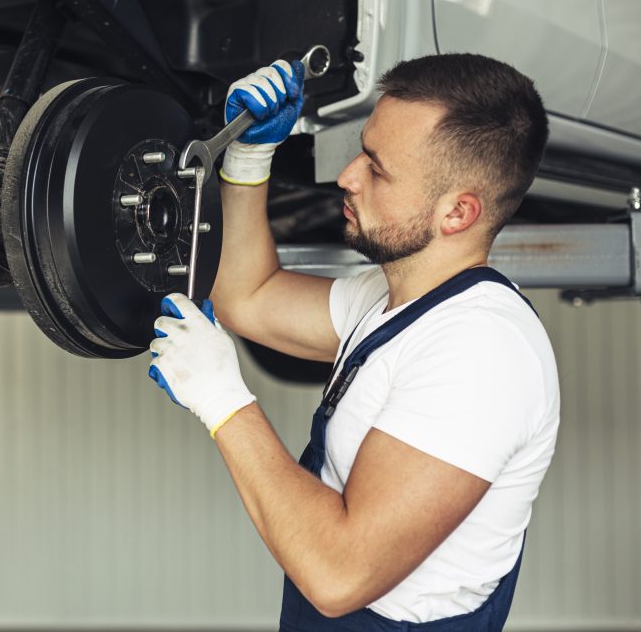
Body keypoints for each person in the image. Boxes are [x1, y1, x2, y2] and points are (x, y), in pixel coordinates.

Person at [147, 53, 560, 630]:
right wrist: (248, 158)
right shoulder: (397, 297)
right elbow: (250, 298)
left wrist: (223, 400)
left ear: (457, 212)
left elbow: (339, 576)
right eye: (363, 149)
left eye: (378, 168)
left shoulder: (482, 354)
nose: (347, 175)